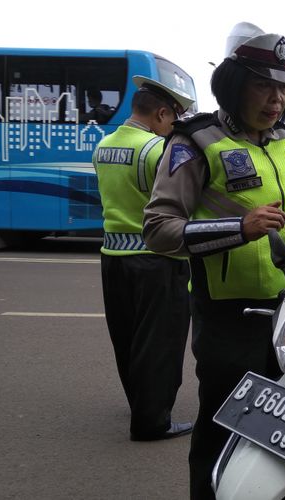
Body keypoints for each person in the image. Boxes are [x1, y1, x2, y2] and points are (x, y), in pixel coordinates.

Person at [142, 28, 285, 500]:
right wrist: (237, 229)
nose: (276, 99)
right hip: (232, 318)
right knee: (224, 433)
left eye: (283, 87)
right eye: (263, 85)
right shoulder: (195, 142)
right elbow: (158, 229)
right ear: (234, 85)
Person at [93, 75, 195, 441]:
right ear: (162, 113)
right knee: (160, 342)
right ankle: (153, 421)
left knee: (127, 337)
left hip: (113, 255)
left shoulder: (103, 146)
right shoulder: (155, 150)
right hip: (156, 257)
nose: (172, 128)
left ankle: (140, 402)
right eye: (172, 120)